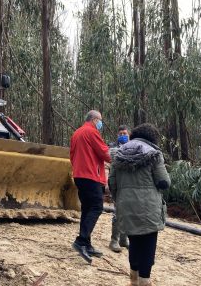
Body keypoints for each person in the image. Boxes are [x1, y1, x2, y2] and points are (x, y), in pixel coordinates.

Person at [109, 123, 170, 286]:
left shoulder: (118, 153)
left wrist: (120, 199)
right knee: (148, 245)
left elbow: (111, 182)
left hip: (125, 205)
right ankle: (145, 281)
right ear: (152, 138)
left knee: (134, 243)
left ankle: (133, 280)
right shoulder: (154, 154)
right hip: (149, 207)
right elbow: (164, 182)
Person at [70, 110, 112, 264]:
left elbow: (72, 154)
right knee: (96, 207)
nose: (101, 124)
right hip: (91, 176)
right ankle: (81, 241)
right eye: (100, 120)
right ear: (95, 120)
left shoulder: (77, 133)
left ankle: (86, 243)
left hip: (79, 175)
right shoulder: (91, 132)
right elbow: (105, 153)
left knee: (87, 209)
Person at [108, 124, 131, 253]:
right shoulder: (112, 147)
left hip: (129, 184)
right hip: (117, 183)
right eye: (120, 134)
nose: (123, 136)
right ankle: (114, 240)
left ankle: (124, 238)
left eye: (125, 134)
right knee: (118, 212)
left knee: (128, 212)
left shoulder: (133, 146)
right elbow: (114, 158)